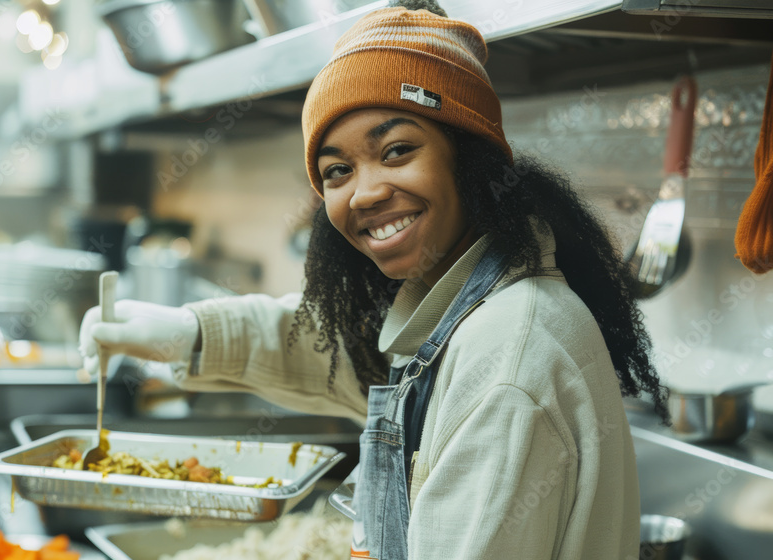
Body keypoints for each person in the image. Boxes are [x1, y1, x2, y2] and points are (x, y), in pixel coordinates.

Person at [80, 0, 669, 558]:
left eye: (396, 150)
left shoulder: (509, 362)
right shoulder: (465, 309)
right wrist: (187, 333)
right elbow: (339, 351)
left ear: (469, 156)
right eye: (337, 170)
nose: (365, 192)